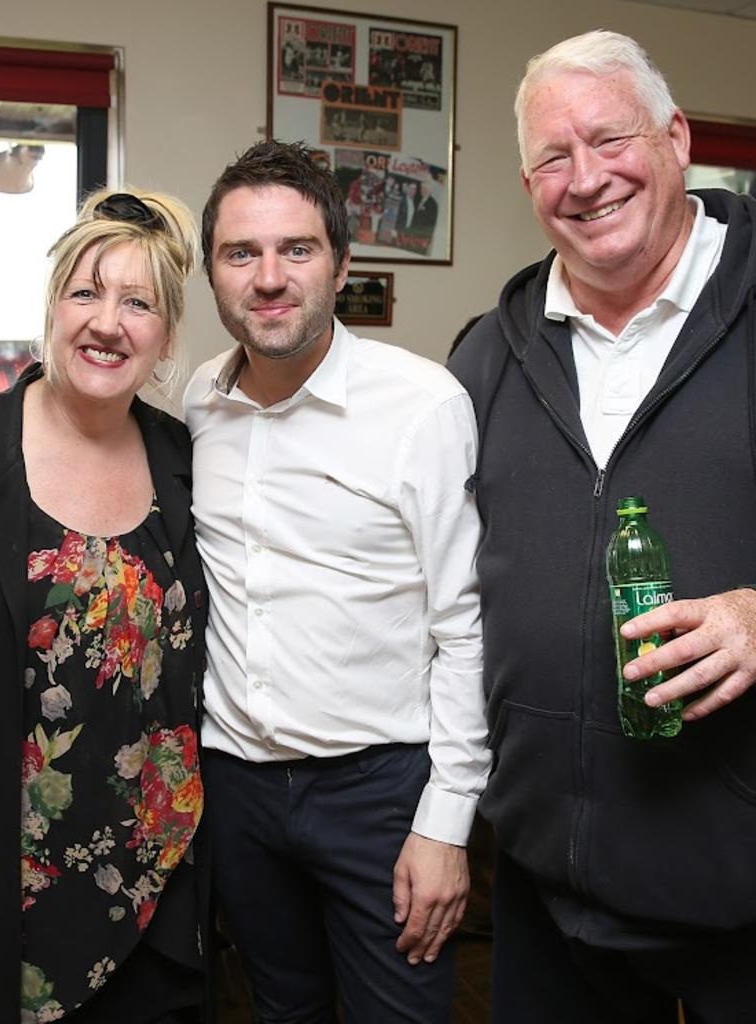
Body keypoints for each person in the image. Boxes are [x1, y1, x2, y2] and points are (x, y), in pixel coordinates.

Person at [449, 29, 756, 1024]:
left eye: (610, 138)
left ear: (675, 136)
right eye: (552, 156)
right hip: (546, 887)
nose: (585, 178)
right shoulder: (486, 356)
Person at [184, 139, 490, 1024]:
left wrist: (446, 821)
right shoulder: (201, 400)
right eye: (242, 253)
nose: (269, 277)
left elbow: (464, 626)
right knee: (280, 1011)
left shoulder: (423, 406)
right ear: (213, 274)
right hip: (237, 784)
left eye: (297, 249)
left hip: (380, 791)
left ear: (343, 263)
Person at [0, 188, 208, 1023]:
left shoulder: (187, 462)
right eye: (86, 292)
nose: (106, 323)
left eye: (138, 302)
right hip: (15, 893)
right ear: (52, 305)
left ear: (165, 337)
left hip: (162, 889)